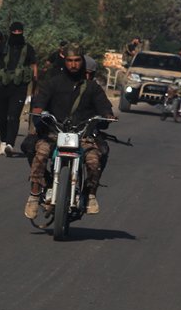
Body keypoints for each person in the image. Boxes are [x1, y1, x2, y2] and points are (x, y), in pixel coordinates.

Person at [23, 47, 115, 218]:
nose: (73, 64)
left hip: (83, 135)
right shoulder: (53, 83)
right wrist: (38, 111)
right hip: (54, 133)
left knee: (94, 160)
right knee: (41, 153)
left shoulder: (91, 87)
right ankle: (34, 195)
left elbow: (104, 107)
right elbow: (40, 102)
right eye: (70, 61)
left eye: (77, 61)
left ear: (82, 62)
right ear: (65, 62)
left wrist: (107, 116)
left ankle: (90, 194)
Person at [0, 22, 37, 157]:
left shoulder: (28, 48)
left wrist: (35, 86)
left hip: (19, 87)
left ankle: (10, 144)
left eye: (19, 31)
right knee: (3, 117)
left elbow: (34, 66)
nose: (17, 33)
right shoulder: (2, 47)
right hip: (3, 86)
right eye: (15, 31)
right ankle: (3, 141)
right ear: (10, 31)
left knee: (14, 115)